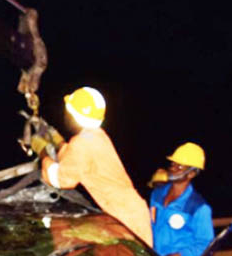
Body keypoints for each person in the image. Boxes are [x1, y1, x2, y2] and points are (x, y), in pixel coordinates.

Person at [39, 87, 153, 246]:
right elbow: (75, 158)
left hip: (125, 217)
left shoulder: (83, 143)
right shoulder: (95, 136)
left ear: (74, 116)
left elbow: (60, 179)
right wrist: (58, 142)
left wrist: (42, 153)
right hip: (127, 211)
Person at [149, 142, 213, 256]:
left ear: (191, 173)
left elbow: (205, 245)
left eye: (179, 167)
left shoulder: (199, 207)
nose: (173, 168)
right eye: (173, 164)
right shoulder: (157, 195)